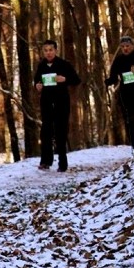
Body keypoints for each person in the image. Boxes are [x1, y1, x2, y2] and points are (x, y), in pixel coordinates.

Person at [33, 39, 81, 172]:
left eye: (51, 50)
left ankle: (62, 162)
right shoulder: (41, 65)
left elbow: (76, 80)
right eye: (45, 50)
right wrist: (37, 85)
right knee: (46, 131)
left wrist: (65, 79)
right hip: (46, 102)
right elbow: (36, 80)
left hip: (61, 101)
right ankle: (45, 161)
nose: (48, 53)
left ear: (56, 50)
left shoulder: (64, 64)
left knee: (61, 131)